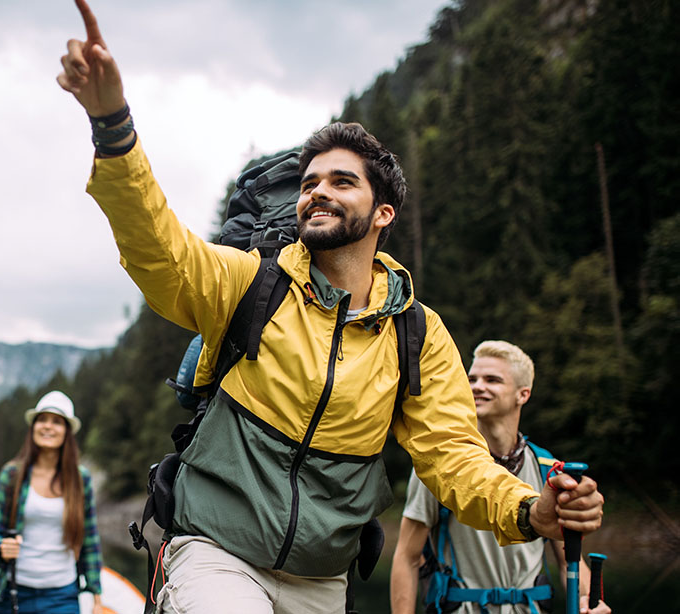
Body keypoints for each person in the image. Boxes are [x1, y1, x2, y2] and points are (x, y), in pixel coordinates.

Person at [55, 2, 604, 613]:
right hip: (216, 551)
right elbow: (159, 249)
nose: (317, 190)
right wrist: (112, 124)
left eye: (342, 182)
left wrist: (531, 510)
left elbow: (454, 459)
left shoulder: (416, 335)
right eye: (310, 182)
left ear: (383, 213)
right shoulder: (250, 285)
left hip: (322, 579)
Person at [390, 341, 611, 614]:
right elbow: (407, 557)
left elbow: (569, 562)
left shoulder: (548, 469)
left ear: (523, 394)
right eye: (471, 379)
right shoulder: (438, 465)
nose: (477, 386)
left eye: (492, 380)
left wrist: (588, 601)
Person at [0, 390, 103, 614]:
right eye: (42, 420)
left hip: (62, 594)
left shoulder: (80, 479)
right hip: (13, 592)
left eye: (57, 422)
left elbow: (90, 539)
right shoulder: (11, 475)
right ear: (33, 428)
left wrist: (96, 598)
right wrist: (0, 546)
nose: (48, 426)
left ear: (67, 432)